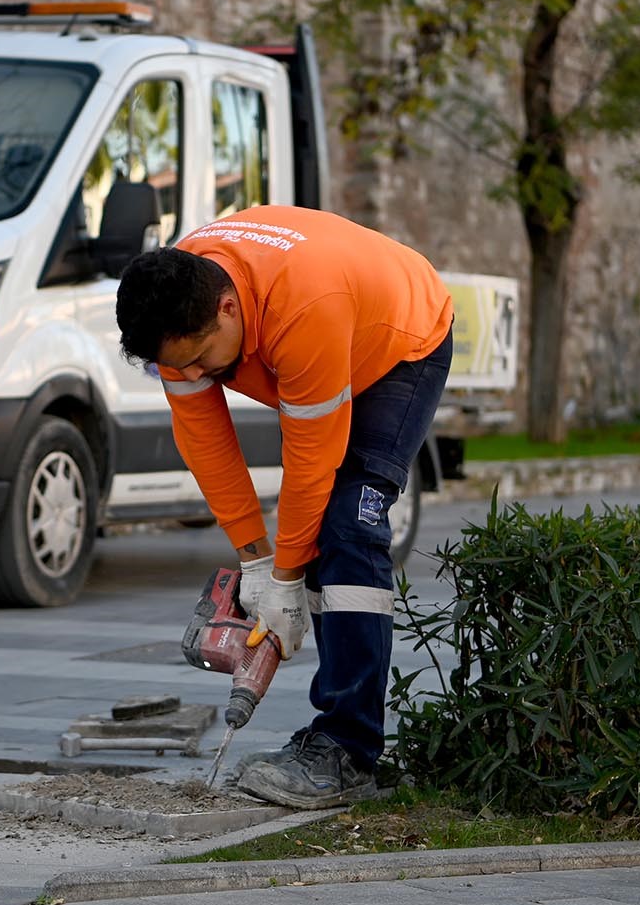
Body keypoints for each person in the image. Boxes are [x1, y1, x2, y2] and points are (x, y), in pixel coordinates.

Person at [116, 207, 454, 809]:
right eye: (177, 368)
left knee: (349, 524)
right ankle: (335, 739)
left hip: (402, 342)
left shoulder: (303, 307)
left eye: (199, 358)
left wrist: (288, 576)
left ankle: (348, 751)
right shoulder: (177, 308)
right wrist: (254, 562)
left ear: (225, 307)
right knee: (322, 529)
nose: (193, 375)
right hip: (326, 321)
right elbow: (208, 445)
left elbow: (309, 463)